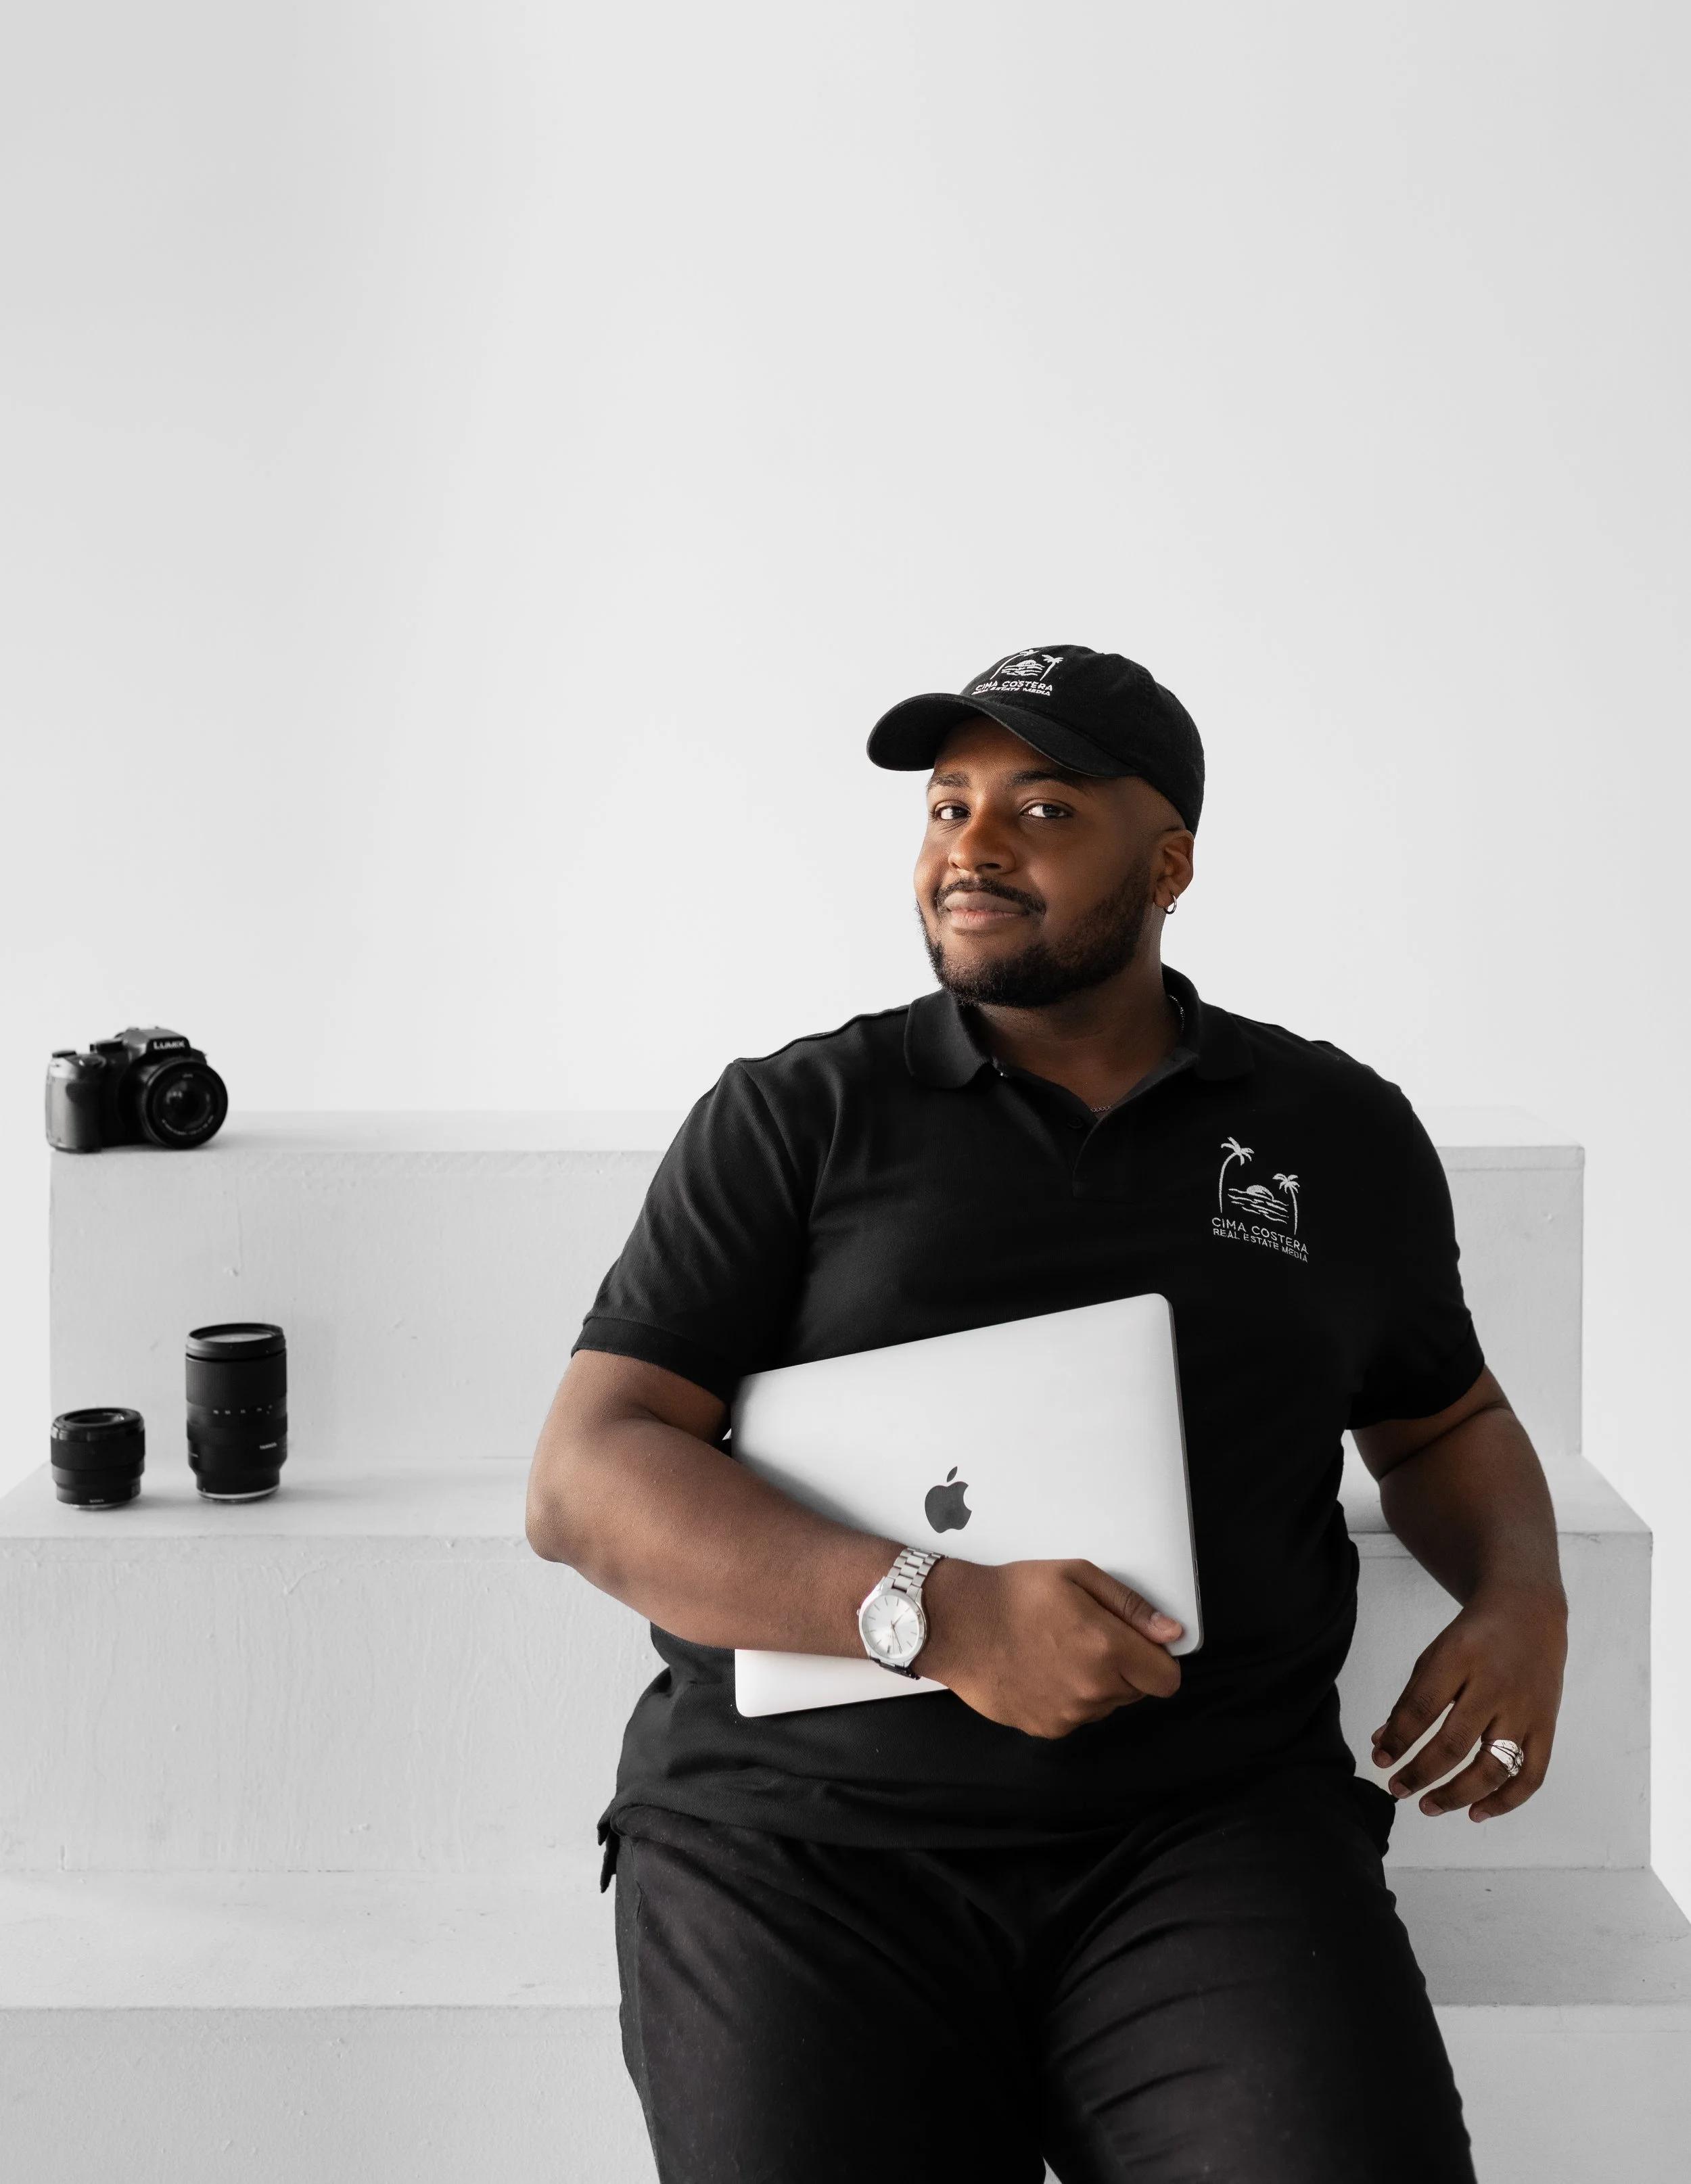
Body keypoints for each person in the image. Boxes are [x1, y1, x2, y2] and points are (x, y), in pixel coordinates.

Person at [525, 644, 1569, 2184]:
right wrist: (935, 1617)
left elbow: (1437, 1419)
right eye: (947, 807)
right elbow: (586, 1480)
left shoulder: (1328, 1130)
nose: (971, 844)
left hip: (1205, 1834)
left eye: (1041, 807)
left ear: (1167, 864)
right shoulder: (797, 1116)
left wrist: (1522, 1595)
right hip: (799, 1845)